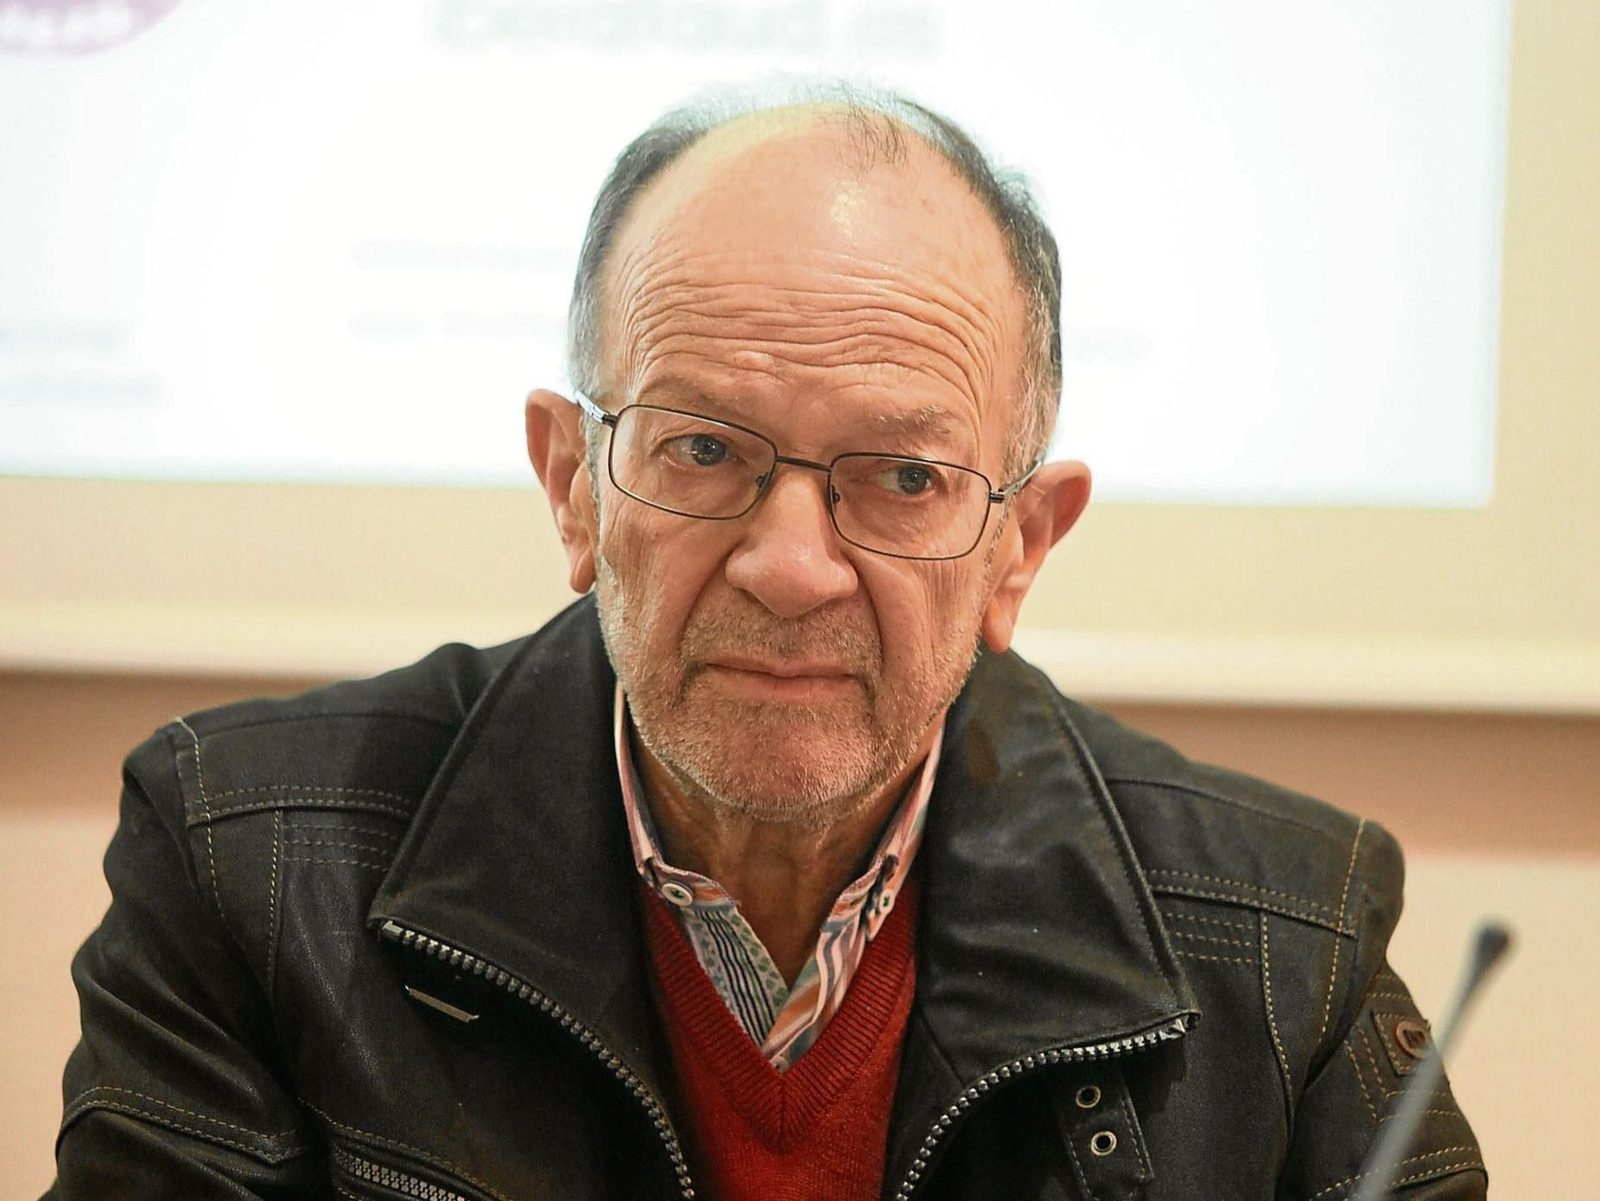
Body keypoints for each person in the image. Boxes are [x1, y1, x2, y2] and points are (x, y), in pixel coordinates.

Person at [47, 85, 1485, 1200]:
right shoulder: (250, 864)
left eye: (905, 477)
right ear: (572, 483)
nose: (792, 566)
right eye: (705, 448)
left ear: (1022, 543)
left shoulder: (1284, 940)